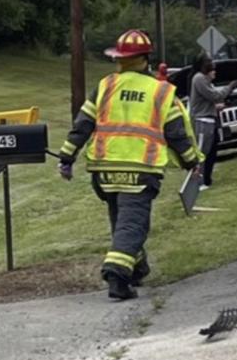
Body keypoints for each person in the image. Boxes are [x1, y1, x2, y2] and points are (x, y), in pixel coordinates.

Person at [57, 29, 201, 301]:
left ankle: (137, 268)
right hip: (140, 169)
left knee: (122, 221)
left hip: (104, 170)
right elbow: (177, 134)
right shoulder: (160, 91)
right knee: (134, 225)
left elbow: (83, 124)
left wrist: (67, 157)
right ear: (146, 58)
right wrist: (192, 162)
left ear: (119, 59)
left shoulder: (105, 85)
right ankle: (117, 276)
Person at [189, 55, 237, 190]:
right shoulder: (199, 78)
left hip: (208, 120)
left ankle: (205, 180)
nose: (213, 67)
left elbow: (206, 101)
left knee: (208, 152)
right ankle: (198, 183)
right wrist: (230, 87)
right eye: (210, 64)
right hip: (202, 121)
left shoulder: (204, 80)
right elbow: (215, 96)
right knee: (201, 153)